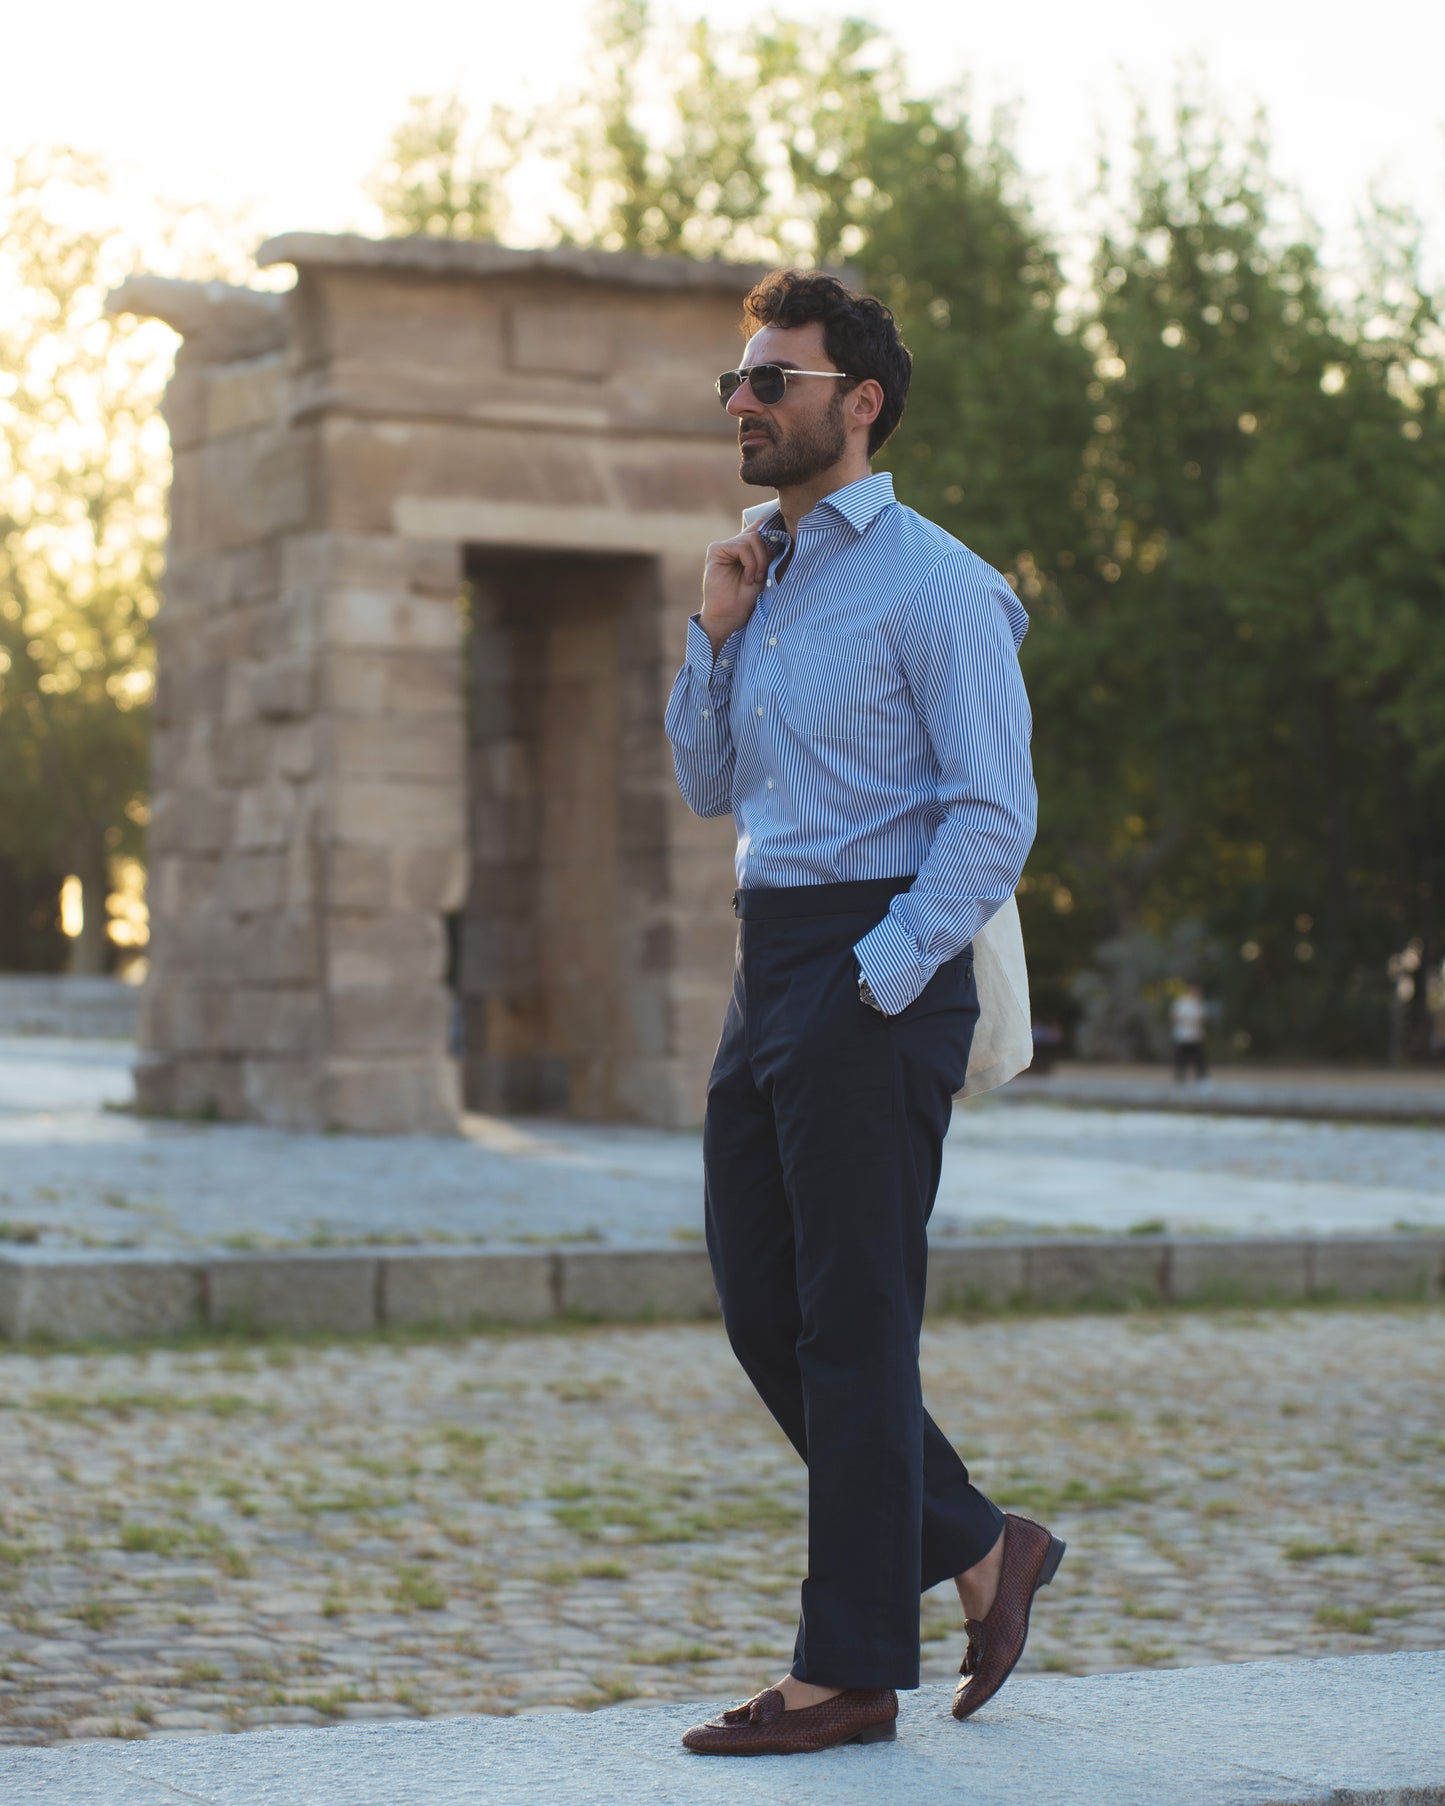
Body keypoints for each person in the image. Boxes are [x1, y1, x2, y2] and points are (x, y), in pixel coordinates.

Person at [665, 270, 1064, 1758]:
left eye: (772, 378)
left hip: (871, 963)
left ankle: (844, 1672)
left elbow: (990, 817)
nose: (742, 402)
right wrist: (713, 632)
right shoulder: (762, 580)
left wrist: (876, 975)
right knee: (767, 1302)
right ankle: (976, 1542)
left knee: (855, 1323)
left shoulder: (941, 587)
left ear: (859, 402)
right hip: (769, 956)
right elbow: (712, 789)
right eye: (737, 380)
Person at [1169, 982, 1209, 1083]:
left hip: (1195, 1036)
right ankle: (1180, 1080)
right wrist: (1186, 1021)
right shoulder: (1181, 1002)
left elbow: (1201, 1020)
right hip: (1182, 1036)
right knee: (1180, 1059)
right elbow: (1174, 1016)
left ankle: (1201, 1080)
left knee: (1199, 1059)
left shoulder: (1199, 1004)